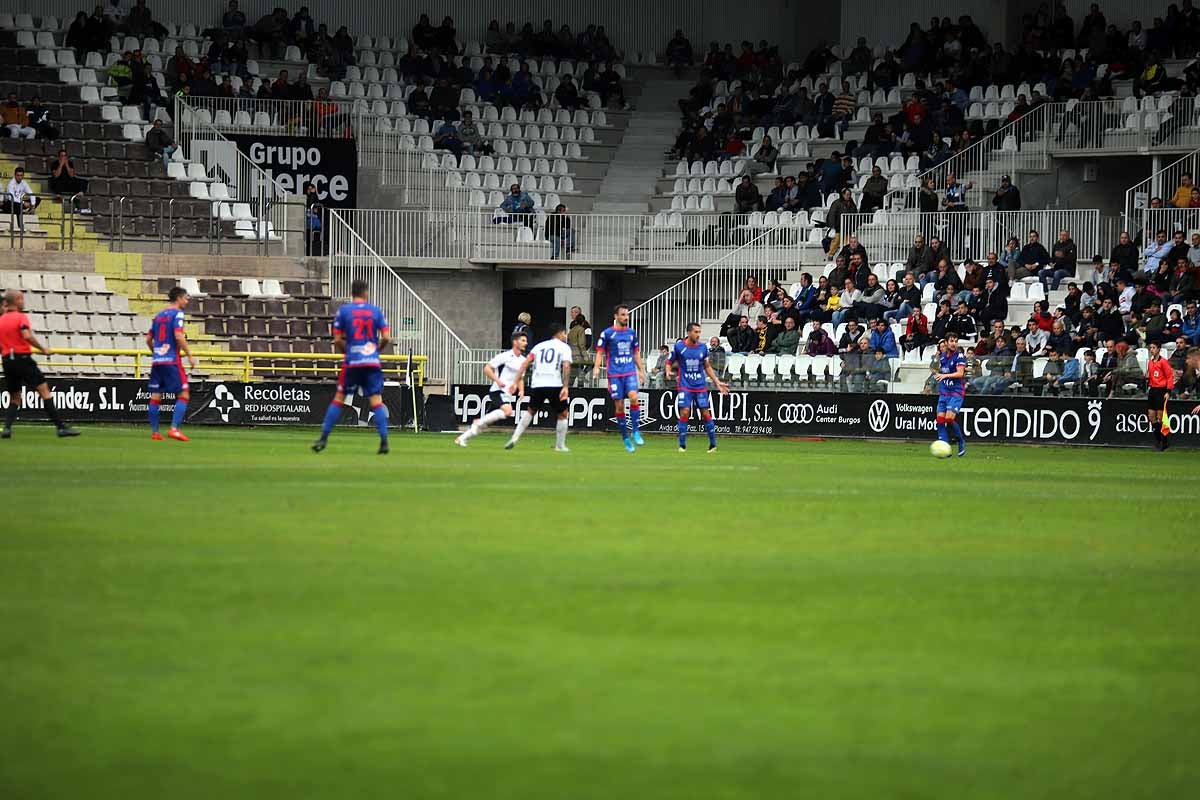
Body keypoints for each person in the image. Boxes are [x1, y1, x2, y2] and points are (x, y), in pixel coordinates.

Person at [0, 290, 81, 439]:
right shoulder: (21, 317)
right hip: (23, 359)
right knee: (44, 392)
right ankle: (61, 428)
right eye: (21, 299)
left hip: (7, 361)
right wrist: (42, 348)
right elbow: (26, 335)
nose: (23, 301)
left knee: (15, 397)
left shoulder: (1, 320)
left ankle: (6, 429)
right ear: (17, 300)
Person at [504, 324, 573, 452]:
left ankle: (514, 438)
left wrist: (515, 381)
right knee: (563, 414)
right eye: (565, 333)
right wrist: (565, 386)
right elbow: (566, 366)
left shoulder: (539, 346)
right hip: (554, 384)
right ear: (559, 333)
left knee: (530, 411)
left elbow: (525, 363)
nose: (565, 336)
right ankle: (560, 445)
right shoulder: (564, 347)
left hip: (537, 384)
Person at [664, 322, 730, 452]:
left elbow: (707, 366)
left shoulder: (702, 348)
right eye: (696, 332)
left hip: (700, 386)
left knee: (705, 413)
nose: (698, 335)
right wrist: (667, 370)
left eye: (699, 332)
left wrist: (717, 381)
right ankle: (682, 445)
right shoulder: (679, 347)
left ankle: (713, 445)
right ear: (689, 333)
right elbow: (669, 361)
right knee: (685, 412)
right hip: (685, 385)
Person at [146, 286, 198, 442]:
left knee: (155, 396)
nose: (187, 301)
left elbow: (148, 340)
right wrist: (189, 355)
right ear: (179, 298)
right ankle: (174, 429)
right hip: (172, 361)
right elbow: (178, 335)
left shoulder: (158, 315)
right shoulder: (178, 314)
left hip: (157, 362)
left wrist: (156, 352)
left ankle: (155, 432)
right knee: (184, 394)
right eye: (186, 298)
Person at [592, 304, 646, 453]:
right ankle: (625, 438)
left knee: (634, 397)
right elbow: (599, 352)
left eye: (627, 314)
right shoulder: (608, 334)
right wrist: (596, 367)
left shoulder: (631, 333)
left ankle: (635, 431)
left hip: (629, 372)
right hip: (614, 374)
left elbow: (636, 353)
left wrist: (641, 370)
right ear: (616, 316)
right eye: (623, 315)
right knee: (620, 406)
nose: (626, 317)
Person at [934, 331, 967, 456]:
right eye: (951, 341)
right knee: (940, 419)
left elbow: (960, 373)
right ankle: (945, 446)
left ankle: (960, 441)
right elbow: (936, 370)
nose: (954, 344)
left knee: (949, 418)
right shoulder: (942, 356)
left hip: (956, 392)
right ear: (946, 343)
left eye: (955, 341)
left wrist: (944, 375)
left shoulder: (959, 356)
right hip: (944, 392)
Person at [1146, 341, 1175, 450]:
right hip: (1153, 390)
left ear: (1158, 349)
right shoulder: (1150, 362)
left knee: (1160, 417)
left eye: (1154, 347)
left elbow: (1169, 376)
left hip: (1161, 390)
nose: (1151, 350)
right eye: (1150, 347)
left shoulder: (1163, 362)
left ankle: (1164, 441)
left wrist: (1168, 391)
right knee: (1151, 416)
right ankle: (1158, 439)